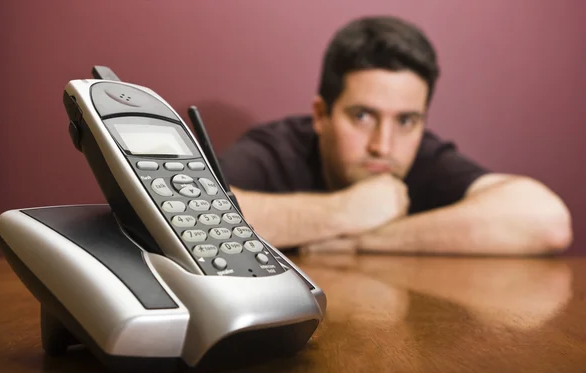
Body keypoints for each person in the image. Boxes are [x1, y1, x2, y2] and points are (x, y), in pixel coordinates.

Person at [218, 15, 572, 255]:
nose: (383, 147)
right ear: (321, 115)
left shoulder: (424, 156)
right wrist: (342, 211)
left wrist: (365, 239)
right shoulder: (276, 148)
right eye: (362, 116)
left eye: (406, 121)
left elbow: (547, 221)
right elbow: (182, 216)